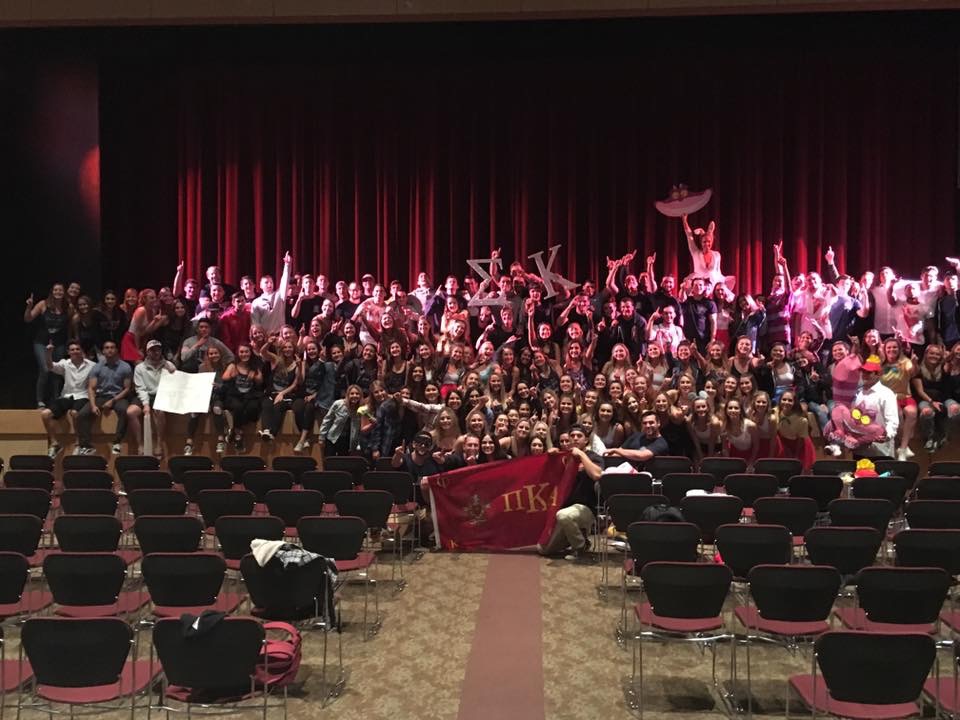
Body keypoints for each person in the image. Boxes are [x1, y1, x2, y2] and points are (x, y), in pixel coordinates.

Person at [537, 424, 603, 561]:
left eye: (579, 436)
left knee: (564, 515)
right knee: (543, 549)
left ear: (586, 441)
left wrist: (582, 455)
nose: (575, 439)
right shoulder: (563, 458)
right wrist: (550, 458)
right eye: (572, 436)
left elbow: (597, 475)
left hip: (586, 509)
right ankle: (574, 536)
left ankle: (581, 547)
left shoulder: (593, 456)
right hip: (563, 508)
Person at [74, 340, 133, 455]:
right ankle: (86, 446)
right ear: (103, 351)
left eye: (112, 347)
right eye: (107, 348)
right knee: (82, 414)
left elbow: (127, 388)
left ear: (116, 350)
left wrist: (113, 400)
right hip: (101, 396)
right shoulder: (97, 367)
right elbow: (91, 388)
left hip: (118, 396)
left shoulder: (125, 367)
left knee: (124, 410)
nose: (109, 350)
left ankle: (117, 442)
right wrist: (93, 405)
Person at [40, 340, 95, 458]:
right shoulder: (65, 363)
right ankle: (55, 444)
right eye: (72, 350)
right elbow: (50, 366)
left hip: (83, 396)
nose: (75, 351)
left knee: (75, 413)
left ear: (81, 351)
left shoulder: (91, 365)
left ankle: (79, 444)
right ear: (68, 352)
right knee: (45, 414)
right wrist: (49, 353)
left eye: (77, 349)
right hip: (67, 396)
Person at [127, 340, 176, 457]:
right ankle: (140, 445)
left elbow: (175, 380)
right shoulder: (140, 368)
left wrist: (171, 369)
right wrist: (146, 404)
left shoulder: (168, 365)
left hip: (161, 395)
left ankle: (159, 444)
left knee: (160, 411)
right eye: (152, 350)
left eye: (158, 349)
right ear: (147, 352)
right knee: (131, 412)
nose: (155, 352)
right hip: (145, 394)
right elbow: (140, 388)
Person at [25, 283, 69, 408]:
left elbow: (76, 319)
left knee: (56, 371)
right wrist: (29, 307)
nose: (58, 292)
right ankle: (40, 400)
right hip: (41, 342)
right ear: (52, 291)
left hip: (59, 344)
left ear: (64, 292)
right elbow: (28, 319)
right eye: (56, 290)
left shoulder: (67, 307)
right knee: (45, 369)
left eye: (61, 290)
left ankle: (55, 399)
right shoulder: (43, 304)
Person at [850, 354, 899, 459]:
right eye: (863, 372)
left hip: (881, 452)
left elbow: (892, 421)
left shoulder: (886, 393)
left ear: (878, 374)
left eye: (869, 372)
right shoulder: (858, 393)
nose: (865, 375)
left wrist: (886, 436)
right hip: (860, 451)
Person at [222, 343, 263, 452]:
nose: (244, 354)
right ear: (238, 353)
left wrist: (254, 376)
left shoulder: (254, 366)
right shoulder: (233, 365)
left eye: (246, 351)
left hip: (249, 396)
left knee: (253, 409)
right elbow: (224, 377)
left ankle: (234, 430)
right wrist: (232, 375)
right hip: (235, 396)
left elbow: (260, 381)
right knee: (238, 407)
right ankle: (239, 435)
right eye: (241, 352)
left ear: (250, 353)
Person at [250, 251, 292, 335]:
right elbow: (255, 323)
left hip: (279, 335)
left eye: (271, 282)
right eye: (266, 282)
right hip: (265, 336)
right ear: (260, 286)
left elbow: (285, 280)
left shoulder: (279, 295)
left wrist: (287, 265)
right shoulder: (256, 302)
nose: (269, 284)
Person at [604, 410, 669, 463]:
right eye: (645, 423)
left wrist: (615, 450)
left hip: (647, 476)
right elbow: (620, 452)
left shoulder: (661, 443)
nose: (648, 426)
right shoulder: (636, 436)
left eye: (651, 422)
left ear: (658, 423)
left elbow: (641, 456)